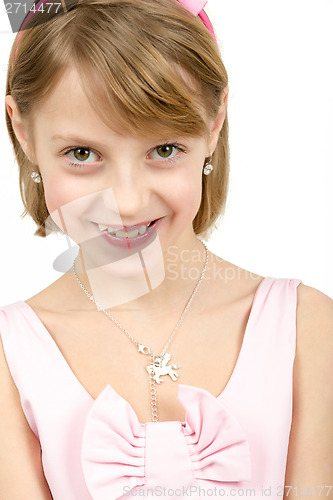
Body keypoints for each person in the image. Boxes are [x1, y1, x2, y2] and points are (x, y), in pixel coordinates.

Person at [0, 0, 332, 498]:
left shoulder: (307, 328)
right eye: (83, 154)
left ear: (214, 123)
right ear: (24, 133)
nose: (128, 202)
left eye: (163, 149)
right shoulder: (10, 356)